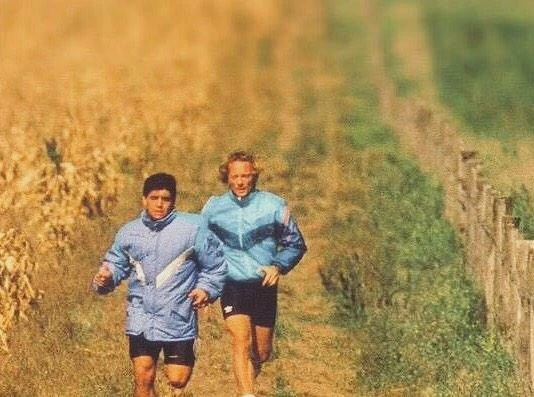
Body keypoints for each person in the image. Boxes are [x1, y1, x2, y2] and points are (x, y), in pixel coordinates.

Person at [92, 172, 226, 397]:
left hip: (178, 318)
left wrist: (206, 289)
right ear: (144, 199)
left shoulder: (192, 229)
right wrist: (105, 278)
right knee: (143, 377)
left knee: (177, 380)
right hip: (141, 318)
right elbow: (115, 264)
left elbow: (215, 266)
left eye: (165, 199)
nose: (160, 204)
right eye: (154, 198)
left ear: (173, 201)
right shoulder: (129, 233)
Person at [201, 151, 307, 397]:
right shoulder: (213, 208)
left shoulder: (274, 205)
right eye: (235, 176)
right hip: (232, 283)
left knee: (261, 353)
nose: (240, 182)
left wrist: (278, 266)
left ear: (254, 176)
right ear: (226, 177)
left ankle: (244, 388)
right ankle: (248, 394)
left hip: (263, 285)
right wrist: (204, 285)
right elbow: (200, 247)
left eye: (246, 176)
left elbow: (296, 244)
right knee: (240, 339)